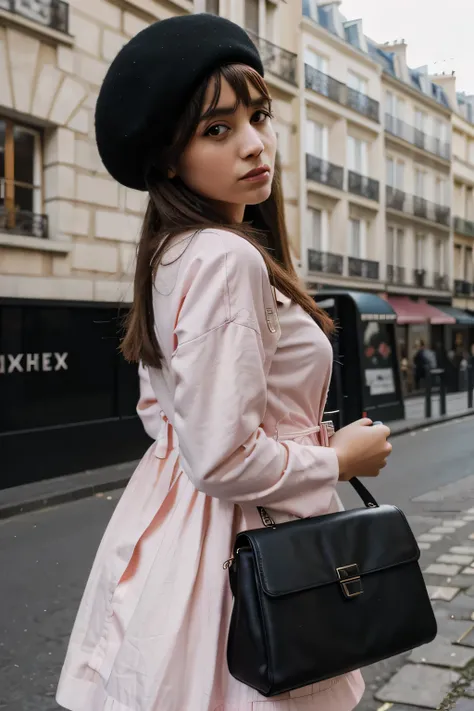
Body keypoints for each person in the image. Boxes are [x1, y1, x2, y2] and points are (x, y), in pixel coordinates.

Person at [56, 14, 392, 711]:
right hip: (243, 538)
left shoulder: (172, 253)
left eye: (259, 116)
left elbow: (168, 418)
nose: (254, 144)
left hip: (178, 529)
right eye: (217, 129)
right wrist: (339, 458)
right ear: (169, 157)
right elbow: (222, 459)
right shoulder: (227, 257)